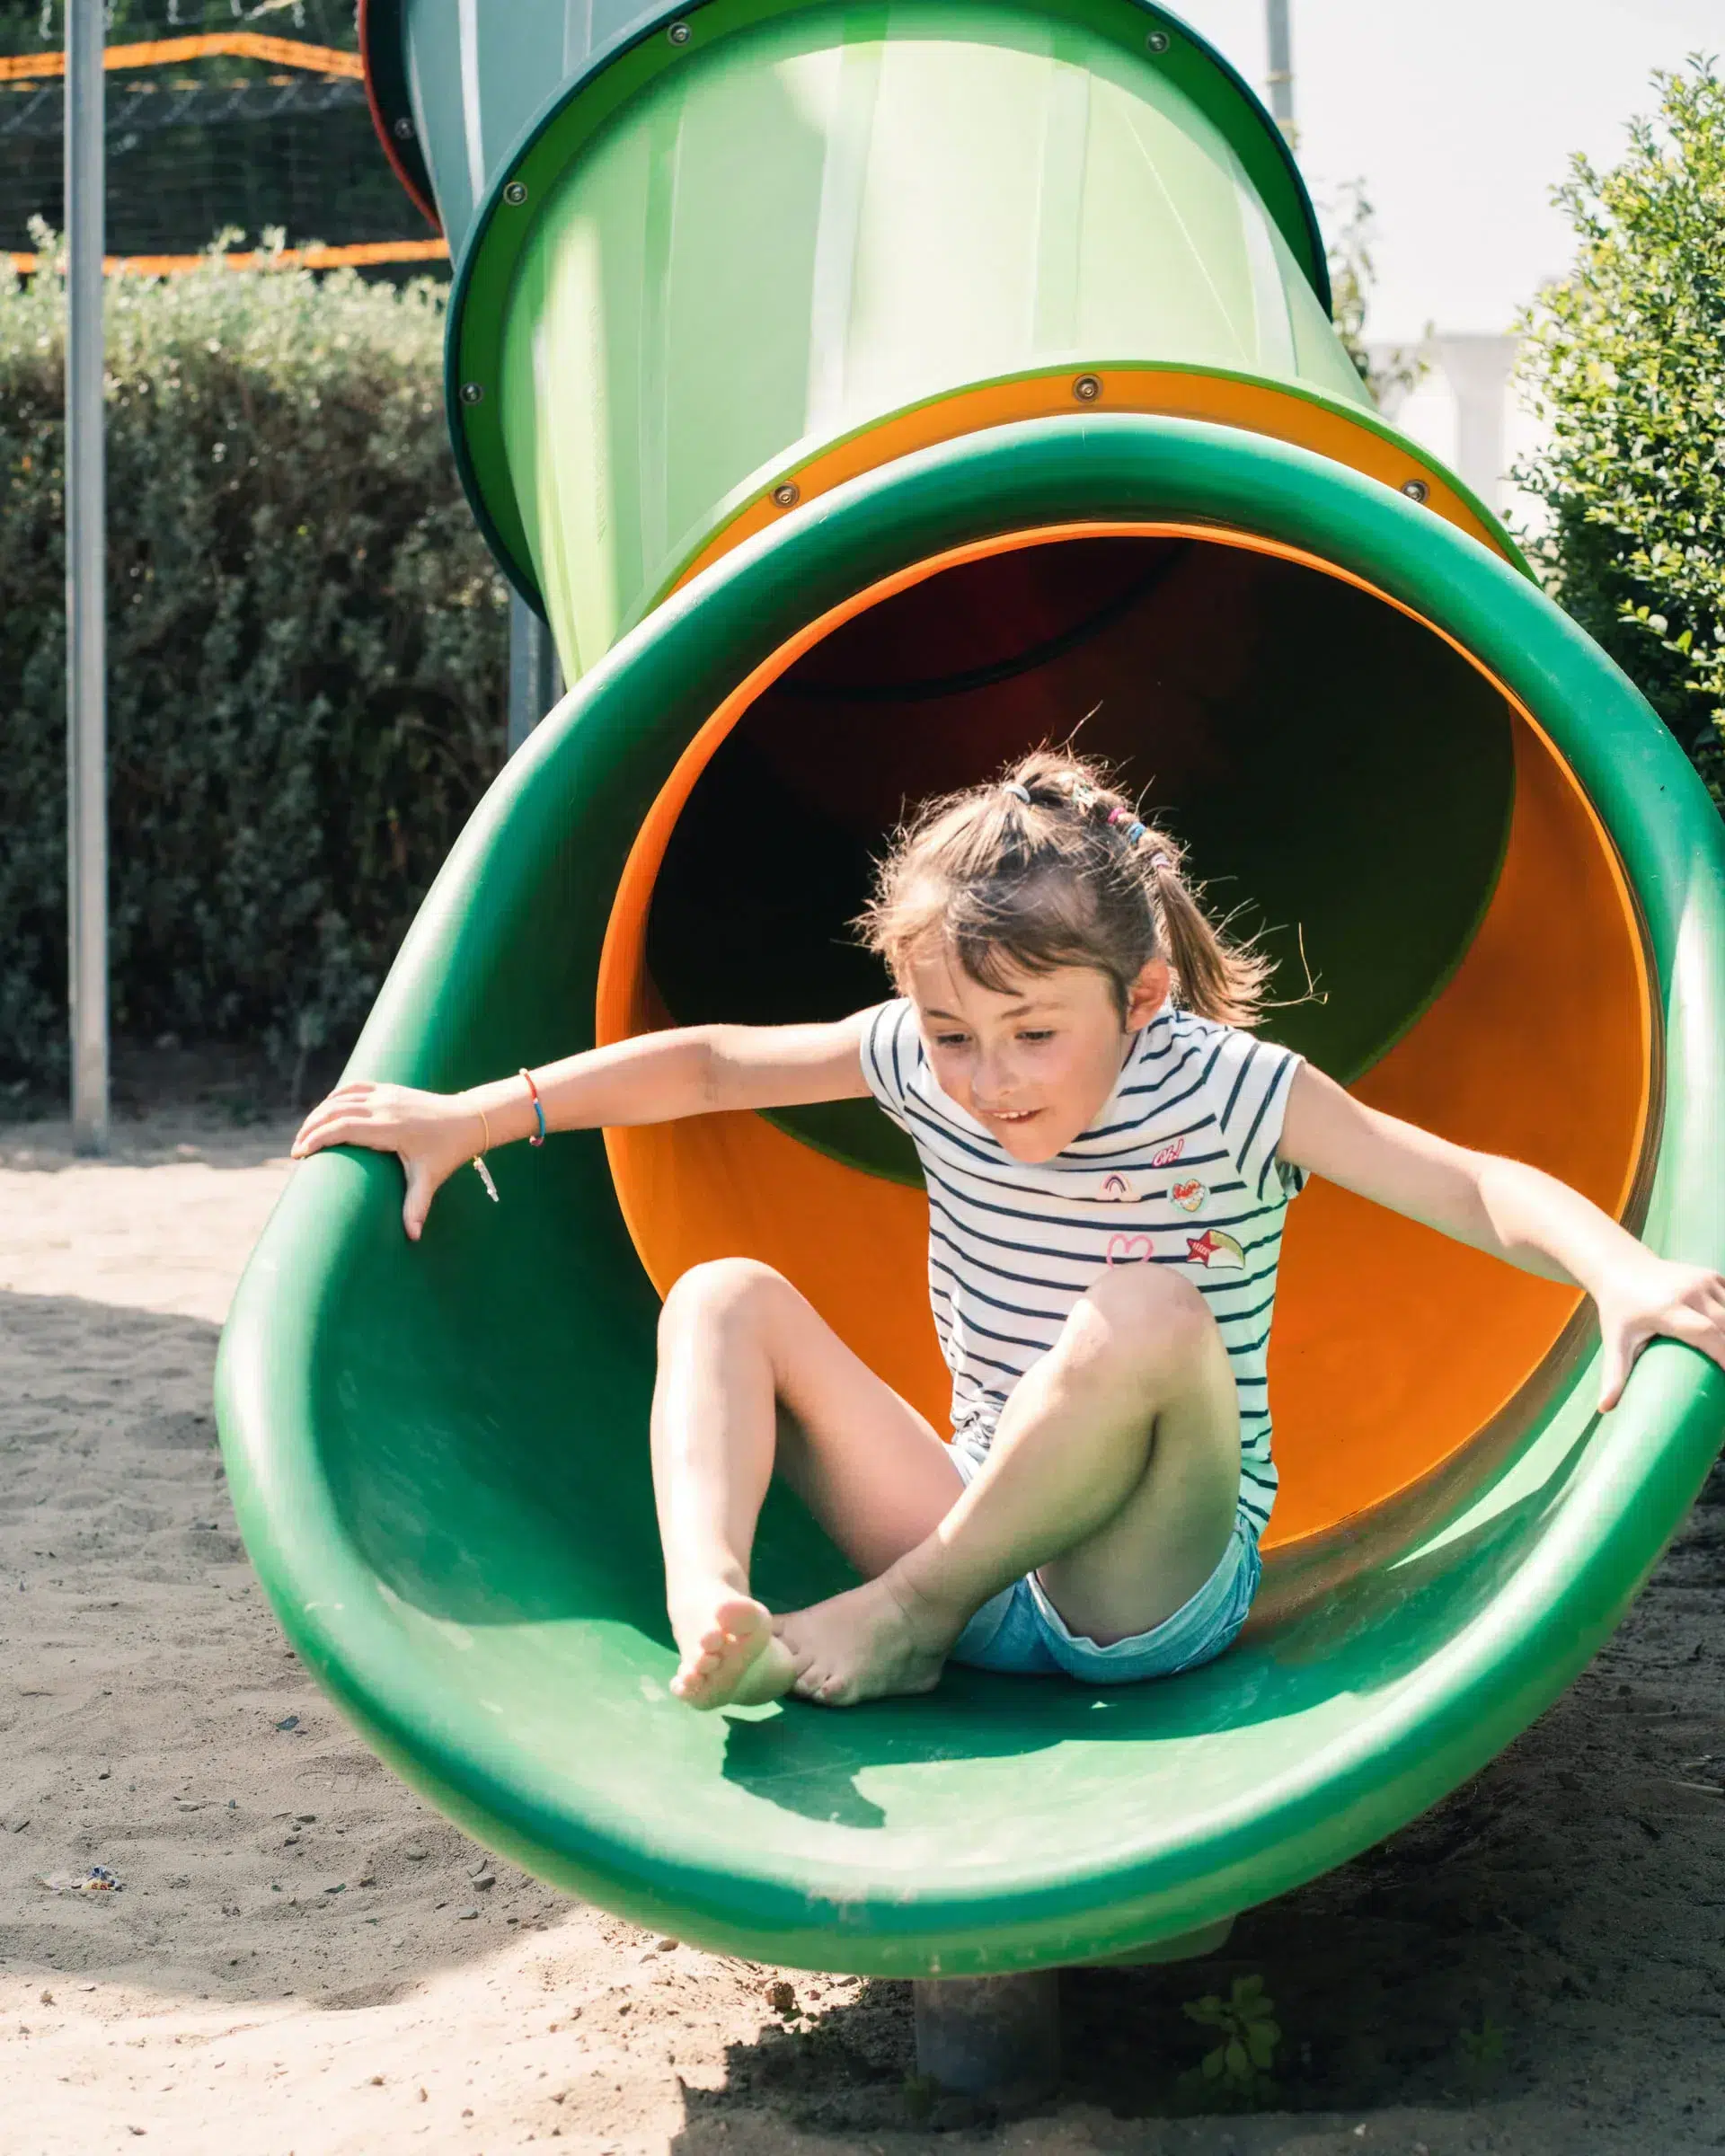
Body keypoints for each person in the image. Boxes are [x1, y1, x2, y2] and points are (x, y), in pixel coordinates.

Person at [289, 749, 1725, 1714]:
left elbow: (1467, 1180)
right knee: (721, 1292)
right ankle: (714, 1610)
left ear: (1143, 997)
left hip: (1138, 1578)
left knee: (1151, 1311)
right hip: (974, 1514)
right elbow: (717, 1064)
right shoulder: (929, 1062)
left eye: (1035, 1034)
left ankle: (903, 1616)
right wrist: (478, 1110)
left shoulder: (1230, 1086)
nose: (988, 1080)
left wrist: (1626, 1268)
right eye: (955, 1034)